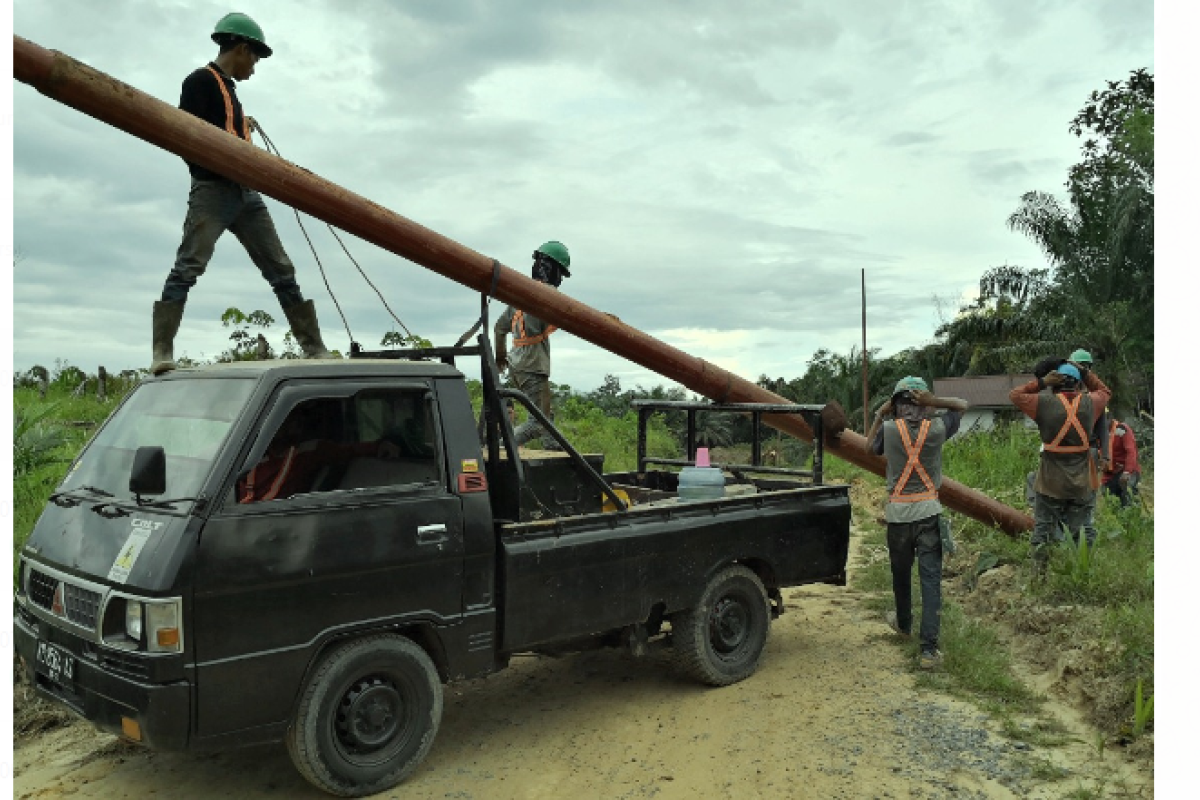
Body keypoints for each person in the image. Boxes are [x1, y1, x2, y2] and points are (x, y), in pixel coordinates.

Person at [152, 12, 335, 375]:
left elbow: (224, 130)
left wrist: (242, 126)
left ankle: (314, 348)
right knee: (189, 265)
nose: (254, 67)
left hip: (246, 195)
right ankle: (162, 351)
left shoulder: (230, 93)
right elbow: (185, 135)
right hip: (213, 191)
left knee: (281, 268)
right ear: (240, 49)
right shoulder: (199, 82)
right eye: (254, 58)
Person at [867, 377, 969, 671]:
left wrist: (879, 414)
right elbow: (962, 406)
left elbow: (867, 450)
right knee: (930, 581)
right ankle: (928, 651)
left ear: (896, 407)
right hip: (928, 513)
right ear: (924, 407)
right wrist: (933, 401)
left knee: (901, 575)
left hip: (898, 516)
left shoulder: (888, 430)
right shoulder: (937, 429)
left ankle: (903, 623)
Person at [1010, 363, 1112, 572]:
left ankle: (1039, 574)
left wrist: (1042, 382)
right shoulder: (1091, 403)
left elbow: (1015, 394)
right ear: (1078, 384)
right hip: (1081, 481)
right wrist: (1085, 372)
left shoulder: (1043, 403)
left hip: (1050, 482)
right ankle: (1084, 570)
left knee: (1043, 529)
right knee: (1082, 529)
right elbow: (1104, 391)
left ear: (1055, 384)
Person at [237, 401, 400, 503]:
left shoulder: (308, 451)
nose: (293, 425)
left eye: (292, 420)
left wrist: (377, 447)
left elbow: (347, 450)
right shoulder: (248, 454)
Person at [494, 241, 572, 448]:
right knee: (537, 423)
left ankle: (553, 449)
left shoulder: (519, 297)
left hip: (517, 364)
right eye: (560, 273)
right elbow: (571, 313)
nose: (560, 279)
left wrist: (500, 357)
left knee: (545, 413)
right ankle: (501, 450)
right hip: (532, 365)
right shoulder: (547, 295)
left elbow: (499, 328)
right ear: (550, 268)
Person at [1102, 418, 1141, 508]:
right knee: (1108, 498)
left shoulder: (1122, 429)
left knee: (1128, 498)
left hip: (1127, 471)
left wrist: (1127, 471)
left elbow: (1131, 451)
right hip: (1110, 473)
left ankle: (1132, 515)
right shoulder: (1097, 431)